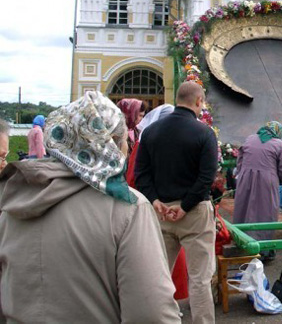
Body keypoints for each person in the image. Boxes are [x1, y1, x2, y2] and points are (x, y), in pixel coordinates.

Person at [0, 91, 180, 323]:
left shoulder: (12, 202)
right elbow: (151, 314)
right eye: (124, 142)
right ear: (109, 146)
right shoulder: (128, 207)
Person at [135, 82, 218, 324]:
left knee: (158, 277)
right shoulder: (204, 133)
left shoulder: (151, 132)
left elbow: (142, 173)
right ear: (199, 101)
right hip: (195, 214)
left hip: (161, 212)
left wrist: (154, 200)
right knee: (200, 279)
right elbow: (206, 177)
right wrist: (185, 206)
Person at [124, 103, 188, 301]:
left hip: (158, 205)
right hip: (162, 206)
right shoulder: (152, 141)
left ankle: (164, 301)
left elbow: (134, 178)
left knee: (164, 256)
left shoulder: (148, 141)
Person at [232, 121, 282, 260]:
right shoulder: (279, 144)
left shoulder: (250, 139)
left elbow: (239, 162)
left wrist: (242, 174)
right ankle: (263, 249)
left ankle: (241, 242)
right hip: (267, 181)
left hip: (246, 178)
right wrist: (280, 179)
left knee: (244, 209)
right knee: (265, 212)